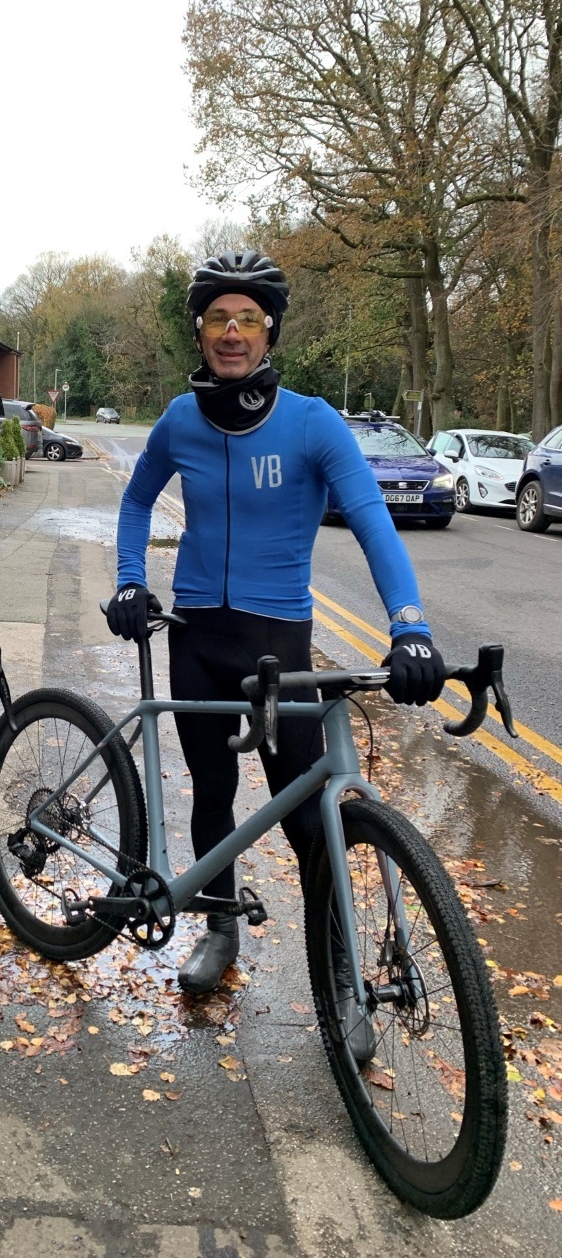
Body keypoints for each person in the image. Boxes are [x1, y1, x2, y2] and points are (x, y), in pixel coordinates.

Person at [106, 249, 445, 1024]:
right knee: (212, 793)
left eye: (248, 320)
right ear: (200, 331)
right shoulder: (179, 419)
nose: (232, 332)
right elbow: (134, 504)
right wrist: (131, 579)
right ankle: (219, 930)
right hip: (194, 634)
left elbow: (370, 521)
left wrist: (410, 625)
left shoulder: (310, 422)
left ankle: (339, 973)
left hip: (277, 643)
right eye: (218, 318)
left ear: (269, 334)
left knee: (306, 816)